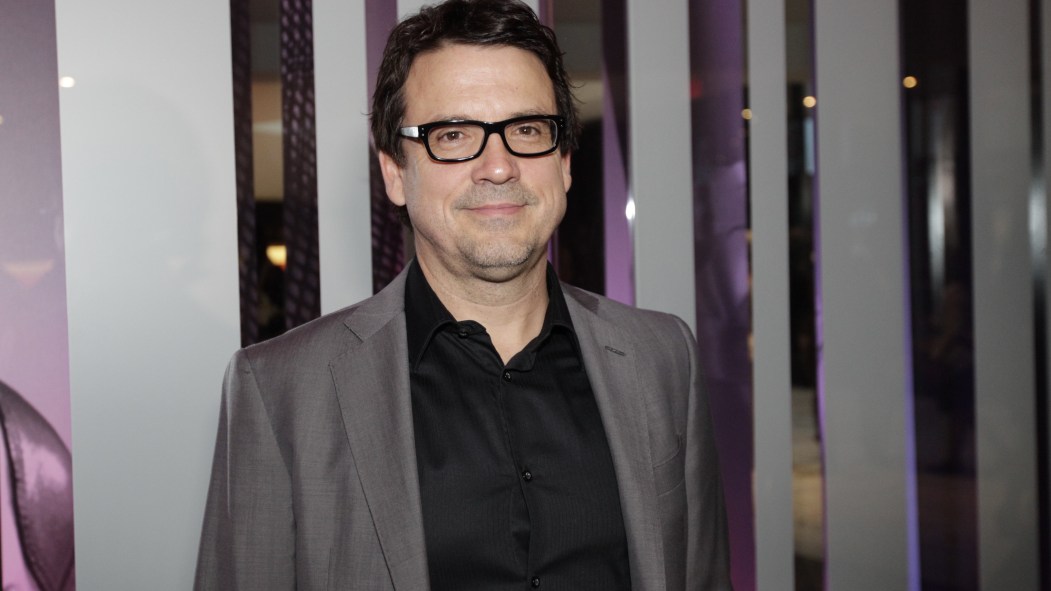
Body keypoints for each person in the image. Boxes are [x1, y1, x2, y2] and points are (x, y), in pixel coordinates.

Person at [194, 0, 730, 589]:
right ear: (395, 173)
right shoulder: (281, 391)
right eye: (453, 135)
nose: (498, 167)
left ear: (564, 163)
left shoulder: (662, 357)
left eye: (527, 130)